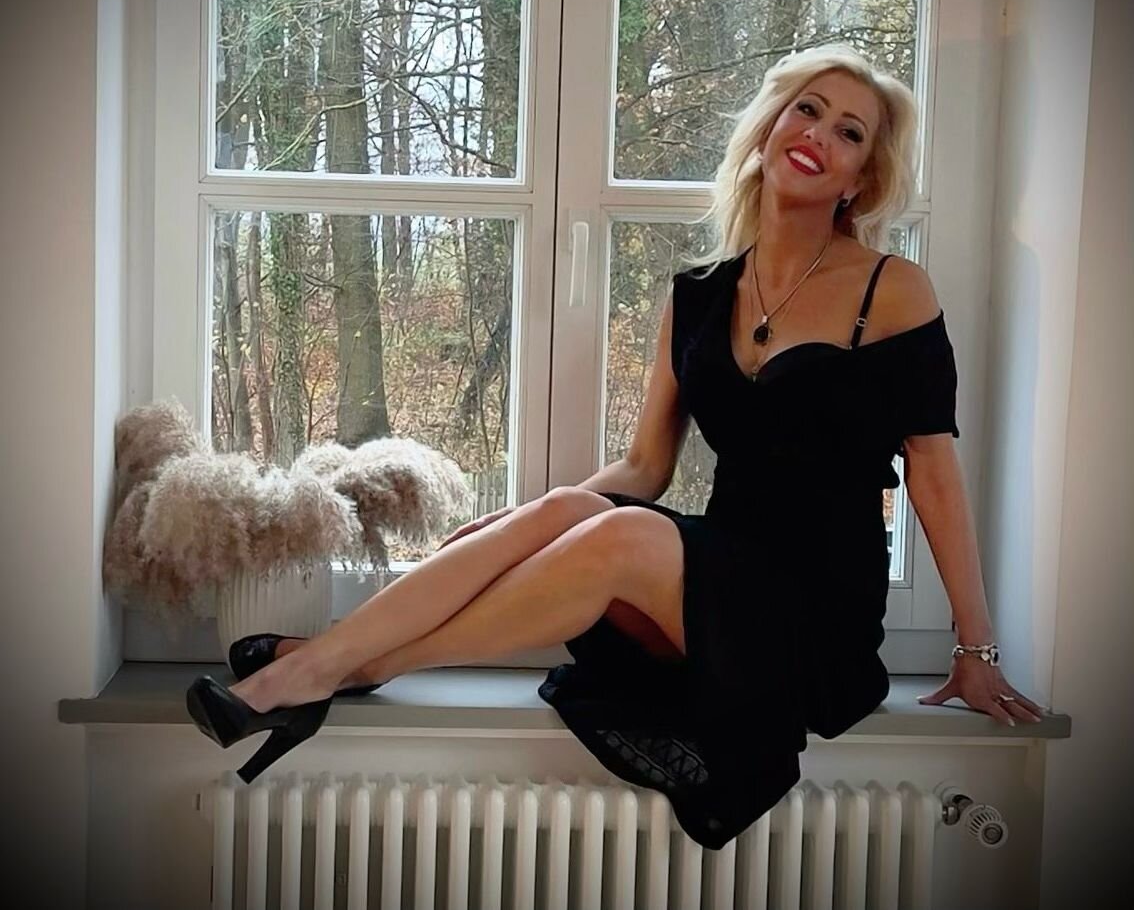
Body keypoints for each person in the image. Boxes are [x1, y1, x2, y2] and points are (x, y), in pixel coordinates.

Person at [186, 42, 1045, 849]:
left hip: (816, 617)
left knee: (622, 533)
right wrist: (517, 526)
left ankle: (329, 671)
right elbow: (644, 468)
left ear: (862, 177)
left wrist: (974, 648)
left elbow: (934, 472)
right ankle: (334, 669)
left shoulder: (892, 291)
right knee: (573, 507)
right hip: (717, 579)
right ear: (770, 130)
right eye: (808, 110)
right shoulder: (700, 296)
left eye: (850, 132)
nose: (820, 135)